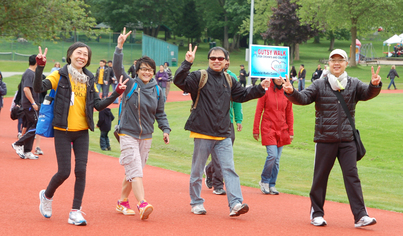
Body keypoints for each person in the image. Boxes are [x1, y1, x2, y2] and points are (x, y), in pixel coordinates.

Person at [281, 49, 381, 228]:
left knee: (352, 176)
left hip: (347, 140)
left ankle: (361, 216)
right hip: (325, 139)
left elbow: (367, 93)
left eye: (340, 60)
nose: (337, 63)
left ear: (346, 63)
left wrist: (374, 85)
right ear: (329, 63)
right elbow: (303, 98)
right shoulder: (319, 84)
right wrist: (291, 92)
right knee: (320, 177)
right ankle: (316, 213)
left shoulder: (354, 83)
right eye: (333, 60)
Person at [34, 43, 127, 226]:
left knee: (81, 171)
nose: (82, 57)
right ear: (70, 55)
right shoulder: (59, 75)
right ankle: (46, 195)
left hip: (82, 131)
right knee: (64, 172)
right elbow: (39, 88)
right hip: (63, 130)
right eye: (79, 53)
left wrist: (116, 93)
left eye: (85, 54)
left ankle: (75, 212)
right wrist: (40, 67)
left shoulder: (89, 78)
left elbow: (98, 105)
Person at [174, 44, 271, 217]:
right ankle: (196, 202)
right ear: (209, 60)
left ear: (226, 61)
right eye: (213, 58)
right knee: (197, 170)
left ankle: (235, 204)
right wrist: (186, 64)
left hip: (223, 133)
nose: (216, 61)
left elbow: (242, 95)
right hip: (203, 132)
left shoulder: (229, 80)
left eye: (220, 58)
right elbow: (179, 82)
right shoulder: (199, 76)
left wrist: (260, 88)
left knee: (229, 169)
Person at [113, 28, 171, 220]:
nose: (147, 72)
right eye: (143, 69)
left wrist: (165, 129)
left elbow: (160, 113)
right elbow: (117, 69)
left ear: (154, 72)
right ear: (137, 71)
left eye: (150, 69)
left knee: (133, 170)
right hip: (127, 133)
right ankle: (142, 204)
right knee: (135, 169)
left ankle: (122, 202)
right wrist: (119, 48)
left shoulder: (157, 91)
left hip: (146, 136)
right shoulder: (131, 84)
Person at [204, 55, 243, 196]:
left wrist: (239, 119)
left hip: (228, 122)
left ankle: (209, 169)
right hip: (211, 123)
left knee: (225, 155)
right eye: (218, 59)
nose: (222, 62)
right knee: (217, 154)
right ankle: (218, 184)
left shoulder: (232, 78)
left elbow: (238, 100)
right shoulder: (208, 76)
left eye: (225, 59)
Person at [253, 77, 294, 195]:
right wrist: (256, 129)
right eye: (277, 77)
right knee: (272, 155)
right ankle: (264, 180)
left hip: (282, 129)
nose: (280, 79)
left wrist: (290, 131)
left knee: (276, 160)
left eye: (282, 77)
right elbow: (258, 110)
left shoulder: (287, 92)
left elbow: (289, 113)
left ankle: (272, 184)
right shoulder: (266, 90)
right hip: (268, 128)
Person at [11, 55, 40, 160]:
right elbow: (26, 89)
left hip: (29, 104)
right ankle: (18, 143)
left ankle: (27, 150)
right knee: (37, 124)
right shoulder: (29, 74)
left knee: (30, 125)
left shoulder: (32, 73)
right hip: (29, 105)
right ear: (36, 62)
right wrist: (33, 103)